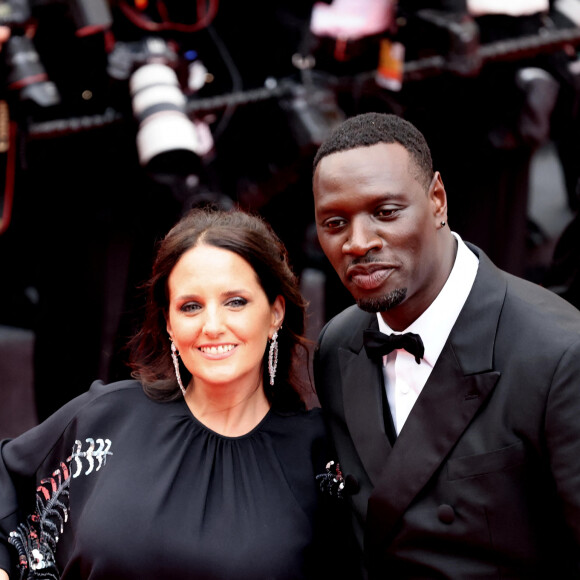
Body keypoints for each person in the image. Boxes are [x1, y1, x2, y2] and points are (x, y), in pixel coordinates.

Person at [0, 207, 353, 579]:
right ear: (169, 322)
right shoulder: (107, 416)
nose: (212, 326)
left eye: (235, 301)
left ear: (275, 313)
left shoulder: (319, 455)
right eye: (191, 307)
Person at [312, 112, 580, 578]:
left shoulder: (558, 353)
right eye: (335, 222)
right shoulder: (337, 345)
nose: (357, 243)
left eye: (385, 212)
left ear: (437, 200)